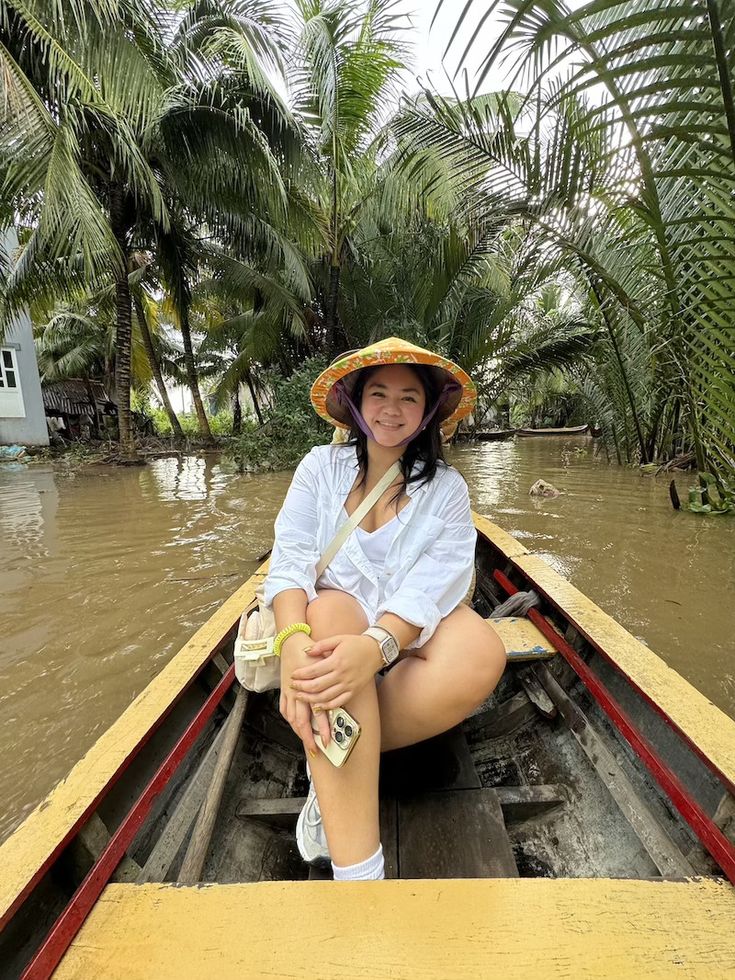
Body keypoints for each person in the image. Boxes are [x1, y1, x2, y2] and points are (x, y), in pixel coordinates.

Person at [263, 337, 506, 881]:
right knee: (326, 622)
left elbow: (435, 586)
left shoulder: (447, 490)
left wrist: (376, 648)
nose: (391, 410)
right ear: (355, 403)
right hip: (331, 634)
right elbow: (290, 563)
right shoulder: (319, 469)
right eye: (378, 394)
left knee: (481, 650)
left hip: (399, 644)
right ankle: (359, 872)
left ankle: (329, 762)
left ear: (426, 413)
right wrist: (291, 647)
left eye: (408, 398)